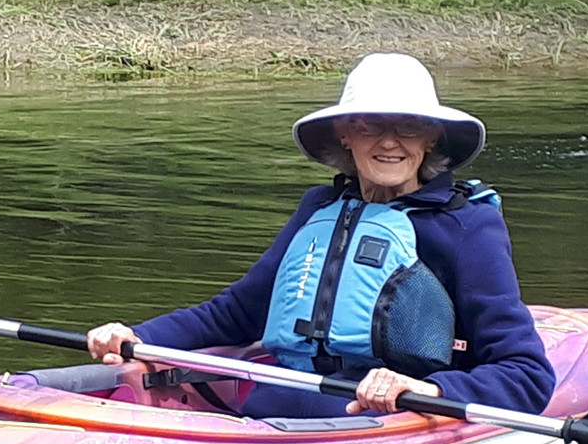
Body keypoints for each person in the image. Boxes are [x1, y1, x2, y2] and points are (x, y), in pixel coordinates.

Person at [88, 52, 555, 418]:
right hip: (271, 412)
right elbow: (236, 314)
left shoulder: (465, 226)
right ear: (345, 134)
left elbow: (527, 375)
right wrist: (136, 335)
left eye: (408, 126)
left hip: (382, 419)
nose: (390, 141)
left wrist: (429, 388)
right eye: (371, 124)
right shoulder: (321, 208)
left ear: (430, 139)